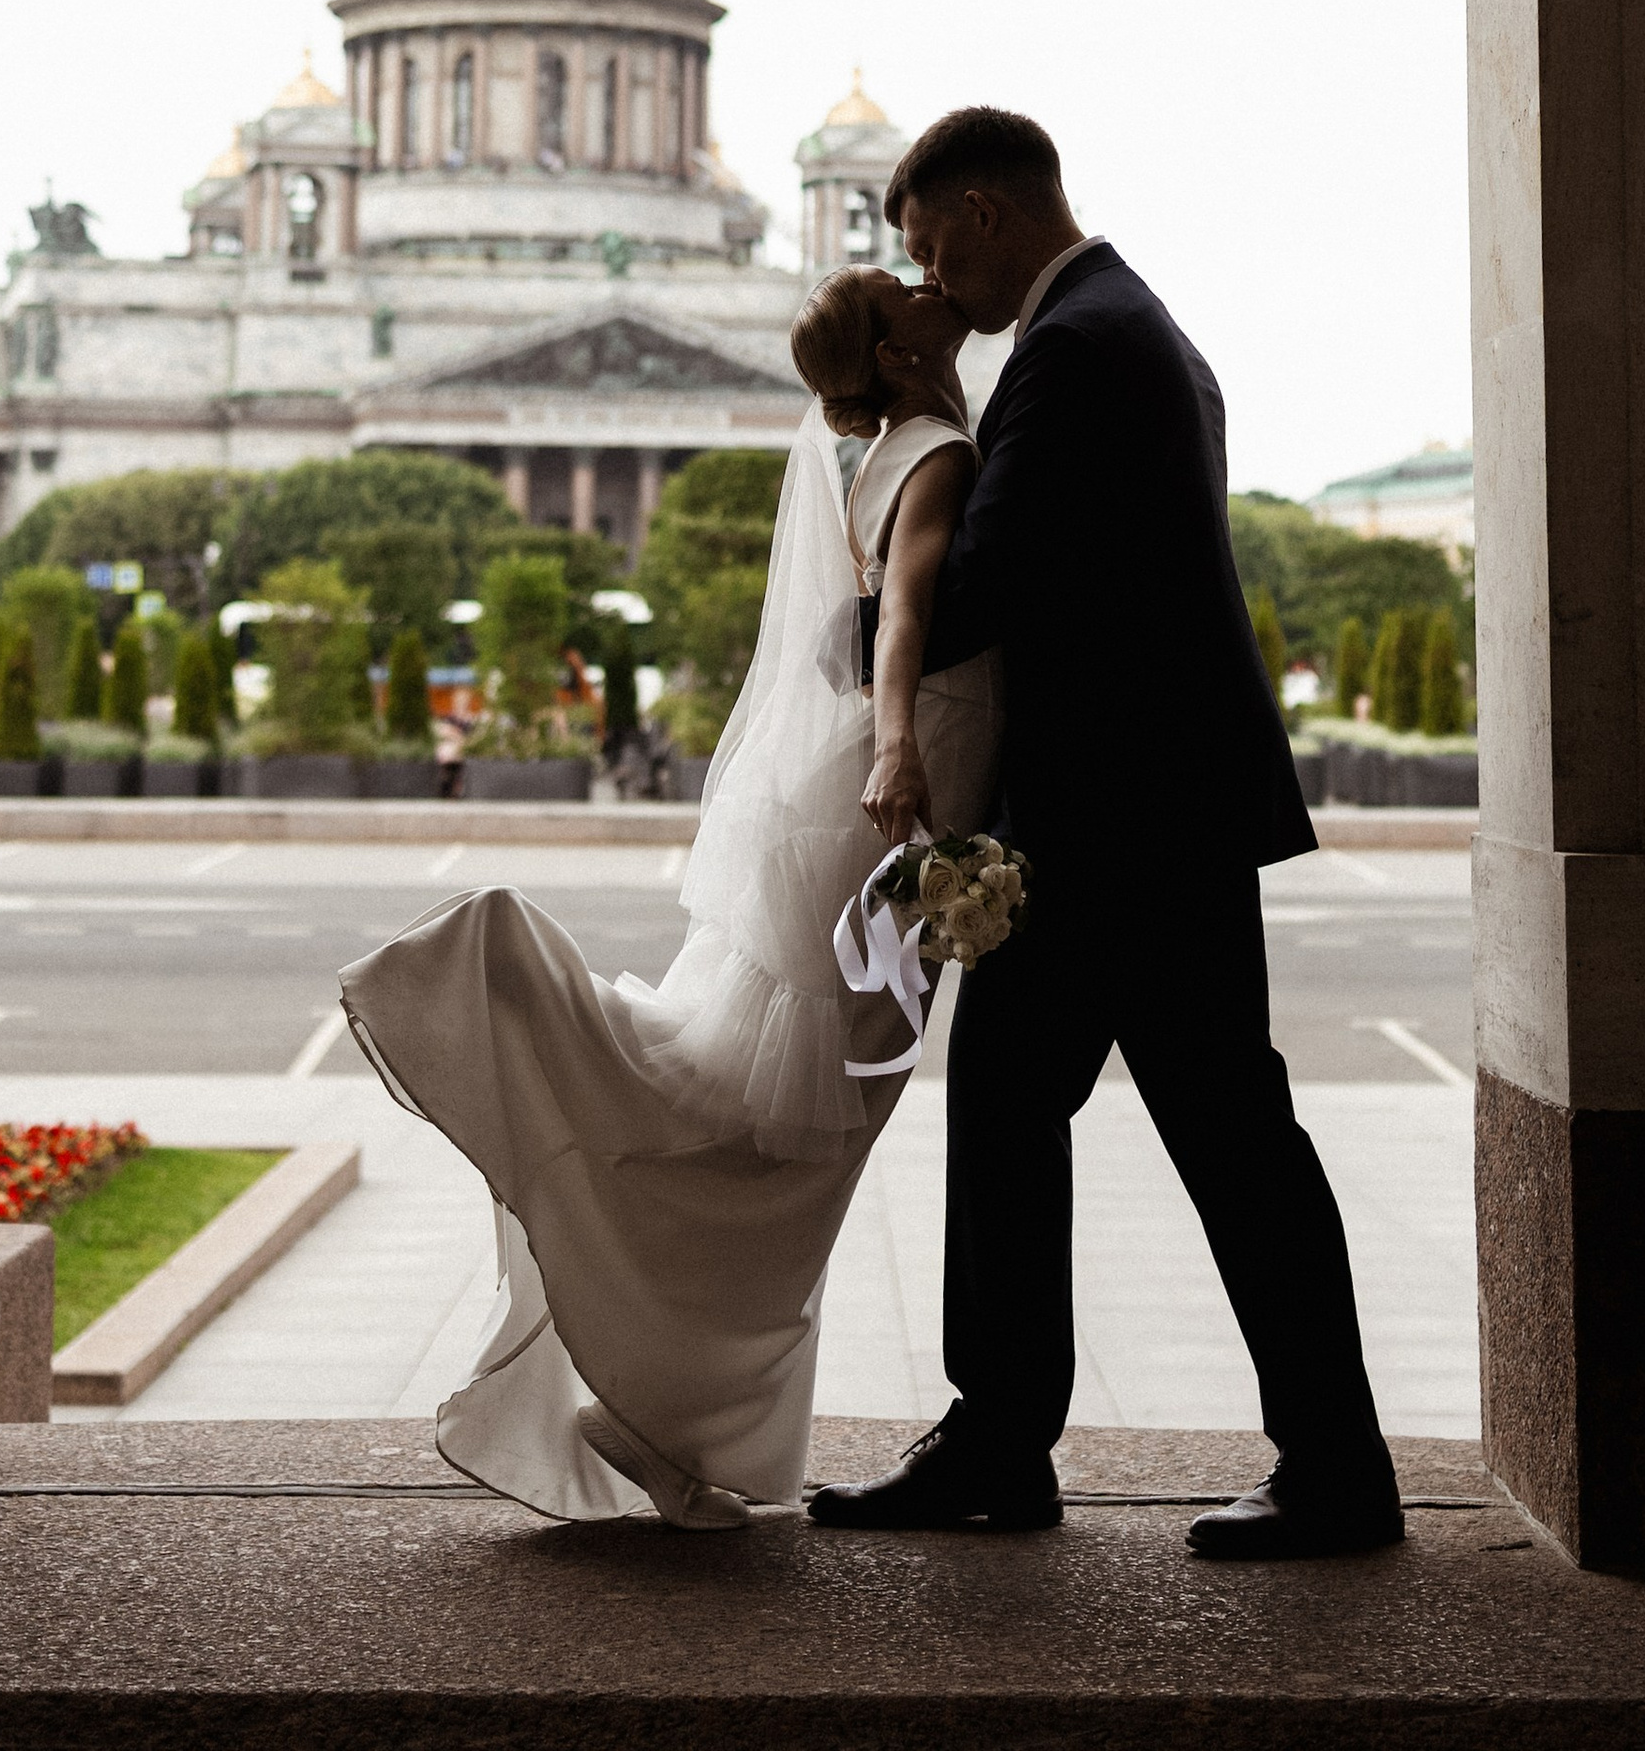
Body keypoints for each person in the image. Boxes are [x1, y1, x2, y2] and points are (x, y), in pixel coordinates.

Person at [806, 104, 1403, 1560]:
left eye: (926, 238)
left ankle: (1029, 1442)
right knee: (1131, 1123)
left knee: (1147, 1128)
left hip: (1115, 828)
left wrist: (840, 640)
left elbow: (992, 580)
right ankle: (1051, 1439)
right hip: (1151, 814)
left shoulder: (1074, 348)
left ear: (986, 210)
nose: (924, 273)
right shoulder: (1131, 326)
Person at [339, 269, 998, 1527]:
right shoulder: (936, 454)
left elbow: (833, 638)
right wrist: (906, 742)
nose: (933, 287)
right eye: (904, 287)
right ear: (892, 348)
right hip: (888, 805)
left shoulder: (886, 442)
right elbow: (901, 612)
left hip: (844, 805)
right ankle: (664, 1398)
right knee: (792, 1152)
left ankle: (667, 1396)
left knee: (754, 1122)